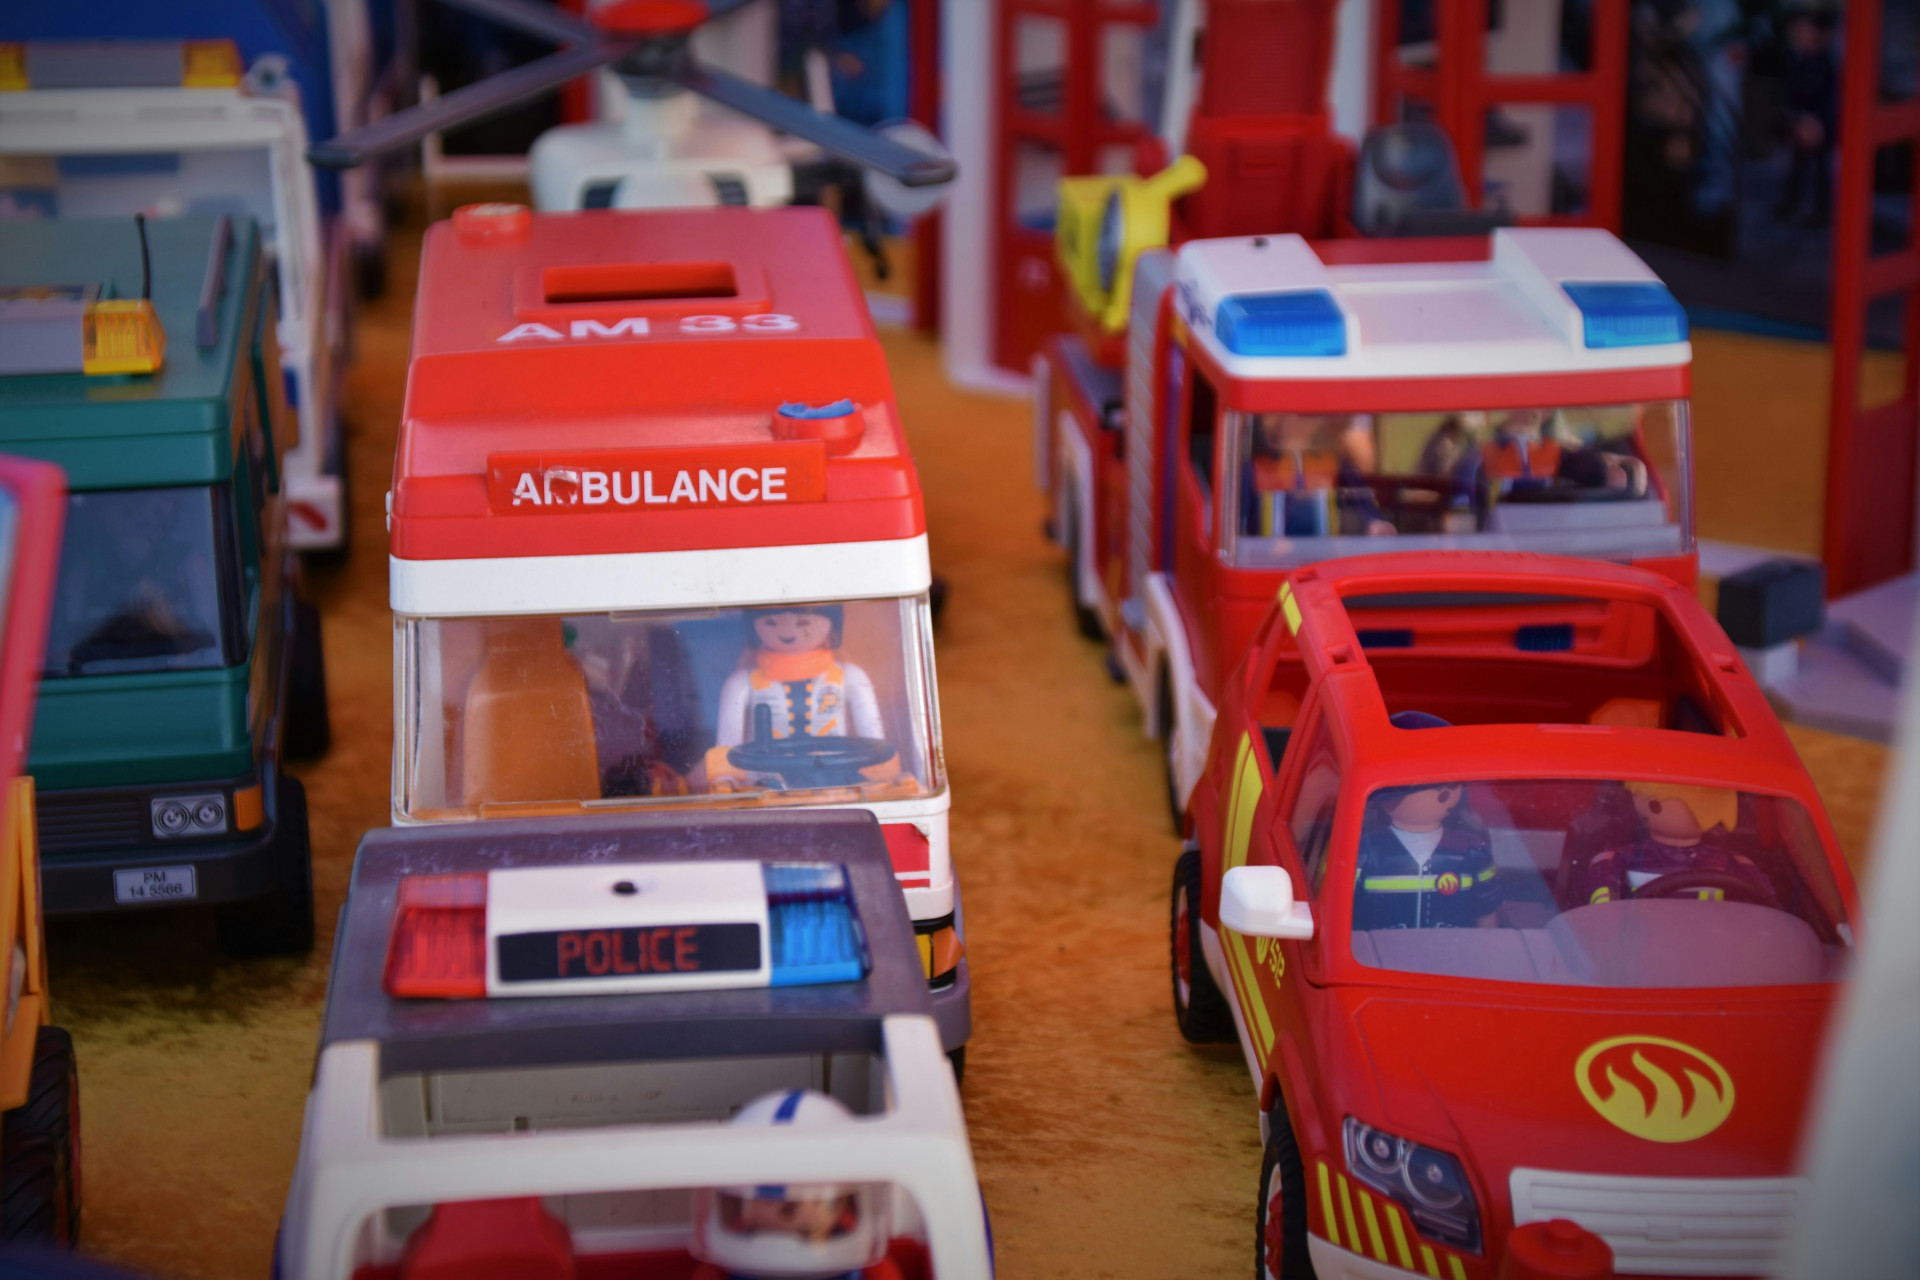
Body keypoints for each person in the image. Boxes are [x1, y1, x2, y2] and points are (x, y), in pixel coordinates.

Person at [688, 1090, 903, 1280]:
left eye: (817, 1201)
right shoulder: (722, 1267)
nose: (792, 1212)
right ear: (742, 1206)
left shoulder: (869, 1269)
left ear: (842, 1206)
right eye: (767, 1201)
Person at [707, 604, 888, 790]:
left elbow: (875, 739)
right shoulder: (742, 682)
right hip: (769, 782)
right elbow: (727, 746)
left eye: (803, 623)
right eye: (771, 622)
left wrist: (879, 776)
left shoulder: (850, 677)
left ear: (833, 624)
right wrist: (726, 779)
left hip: (836, 779)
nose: (788, 632)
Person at [1350, 713, 1499, 931]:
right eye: (1430, 785)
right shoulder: (1363, 851)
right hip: (1375, 951)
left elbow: (1487, 912)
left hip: (1455, 950)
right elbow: (1338, 912)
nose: (1445, 793)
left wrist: (1487, 947)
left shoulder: (1472, 851)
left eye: (1451, 783)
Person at [1575, 781, 1775, 906]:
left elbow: (1766, 914)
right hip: (1642, 950)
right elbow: (1601, 916)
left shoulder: (1735, 864)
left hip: (1710, 951)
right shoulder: (1615, 860)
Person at [1245, 413, 1395, 538]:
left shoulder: (1335, 464)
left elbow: (1362, 502)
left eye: (1309, 418)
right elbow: (1240, 522)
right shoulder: (1255, 469)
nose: (1303, 425)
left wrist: (1374, 523)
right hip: (1268, 560)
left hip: (1326, 558)